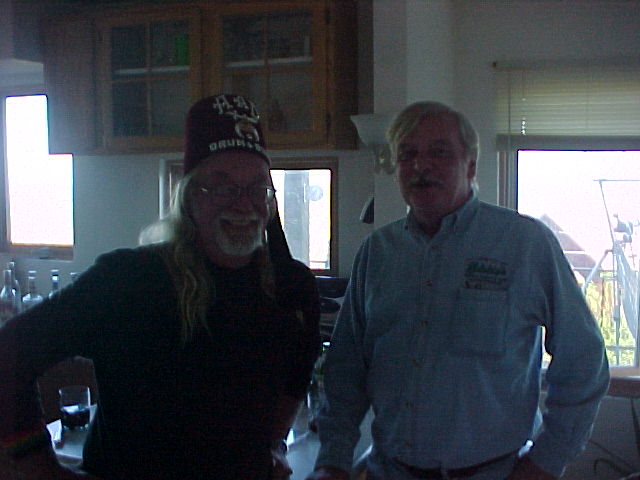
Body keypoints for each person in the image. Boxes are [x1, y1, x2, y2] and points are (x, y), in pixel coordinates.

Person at [0, 93, 320, 480]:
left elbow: (296, 379)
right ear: (190, 198)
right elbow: (9, 354)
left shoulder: (292, 289)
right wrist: (38, 466)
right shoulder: (129, 281)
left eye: (256, 188)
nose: (243, 204)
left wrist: (268, 445)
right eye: (222, 187)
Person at [306, 101, 610, 480]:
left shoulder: (524, 244)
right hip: (388, 470)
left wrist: (547, 461)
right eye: (407, 154)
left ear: (471, 165)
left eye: (439, 152)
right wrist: (333, 459)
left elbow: (584, 360)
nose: (421, 165)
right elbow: (346, 369)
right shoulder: (377, 252)